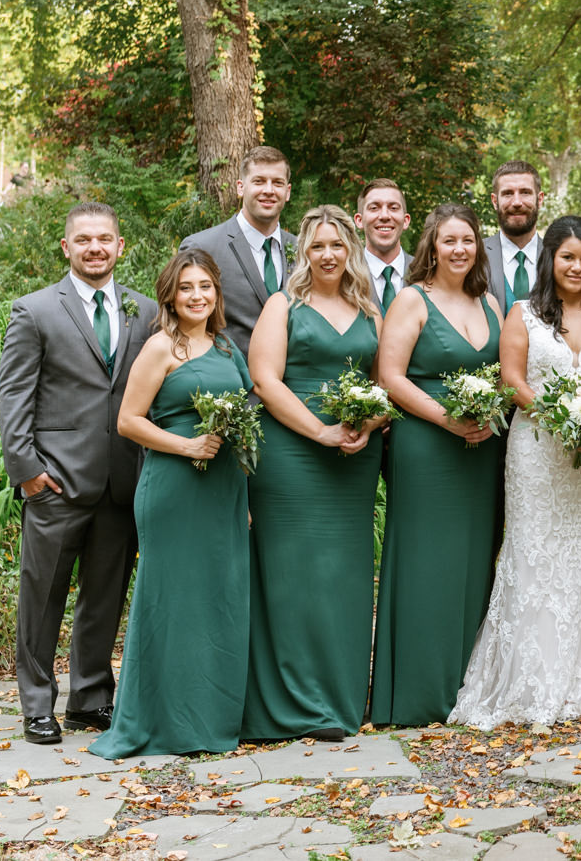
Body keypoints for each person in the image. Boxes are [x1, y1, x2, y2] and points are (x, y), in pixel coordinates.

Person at [450, 216, 581, 728]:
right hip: (536, 450)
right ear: (549, 260)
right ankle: (533, 680)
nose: (576, 266)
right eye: (567, 257)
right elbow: (512, 381)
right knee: (535, 553)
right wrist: (562, 416)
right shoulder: (523, 314)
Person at [0, 202, 157, 745]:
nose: (95, 248)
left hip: (121, 479)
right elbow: (14, 394)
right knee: (42, 598)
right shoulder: (36, 310)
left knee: (104, 597)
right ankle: (38, 704)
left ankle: (90, 700)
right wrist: (27, 472)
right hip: (55, 482)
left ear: (119, 246)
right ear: (66, 247)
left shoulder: (146, 310)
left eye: (104, 239)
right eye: (84, 239)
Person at [90, 250, 252, 757]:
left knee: (216, 602)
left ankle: (209, 718)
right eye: (187, 288)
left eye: (206, 286)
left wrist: (243, 495)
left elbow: (247, 416)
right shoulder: (161, 348)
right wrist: (186, 446)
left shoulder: (227, 348)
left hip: (223, 491)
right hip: (174, 488)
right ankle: (160, 721)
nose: (198, 295)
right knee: (171, 603)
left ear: (217, 294)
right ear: (170, 296)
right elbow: (129, 421)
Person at [242, 205, 383, 741]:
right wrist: (319, 432)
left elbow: (381, 381)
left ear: (351, 249)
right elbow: (265, 380)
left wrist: (365, 425)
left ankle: (340, 698)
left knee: (342, 578)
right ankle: (287, 703)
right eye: (317, 246)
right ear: (304, 251)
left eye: (337, 245)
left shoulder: (370, 308)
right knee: (291, 578)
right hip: (291, 456)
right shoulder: (283, 305)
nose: (328, 255)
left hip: (353, 458)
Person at [372, 203, 505, 726]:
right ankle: (419, 693)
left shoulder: (490, 301)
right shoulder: (413, 299)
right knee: (427, 564)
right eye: (449, 240)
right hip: (427, 447)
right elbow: (391, 376)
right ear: (431, 245)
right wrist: (447, 419)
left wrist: (487, 412)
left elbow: (503, 371)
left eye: (468, 240)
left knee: (476, 560)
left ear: (478, 247)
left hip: (482, 449)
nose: (459, 249)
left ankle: (466, 685)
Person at [180, 146, 295, 357]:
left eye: (277, 183)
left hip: (292, 383)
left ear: (287, 192)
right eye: (259, 181)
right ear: (240, 188)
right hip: (230, 380)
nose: (269, 190)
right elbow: (181, 326)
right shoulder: (202, 247)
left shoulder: (303, 250)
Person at [484, 161, 546, 314]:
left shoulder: (558, 256)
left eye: (525, 192)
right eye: (508, 193)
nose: (517, 202)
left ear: (540, 199)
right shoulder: (474, 256)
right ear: (494, 201)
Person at [355, 178, 413, 315]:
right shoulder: (344, 274)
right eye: (374, 208)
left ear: (405, 221)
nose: (385, 216)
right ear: (359, 220)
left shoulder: (427, 273)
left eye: (393, 208)